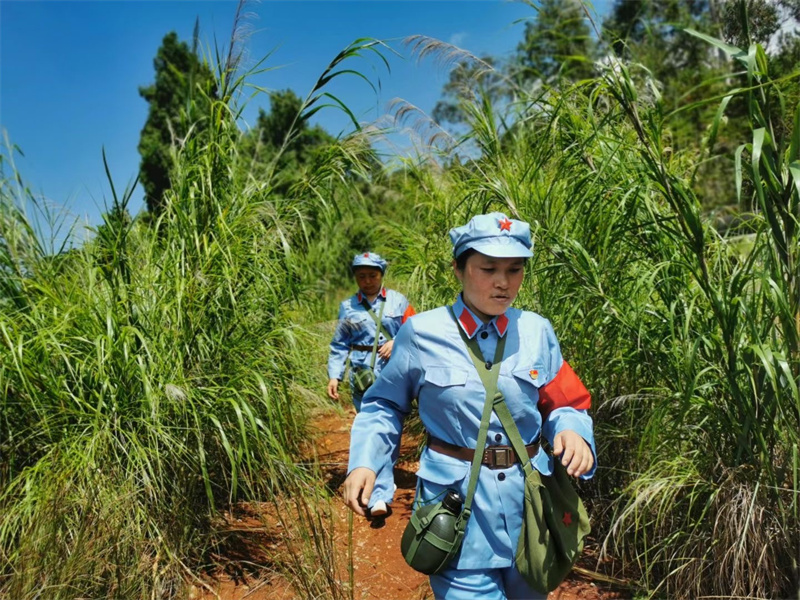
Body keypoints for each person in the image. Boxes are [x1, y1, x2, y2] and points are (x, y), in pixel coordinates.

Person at [343, 213, 596, 600]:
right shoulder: (422, 333)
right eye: (488, 268)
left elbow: (566, 402)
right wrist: (365, 462)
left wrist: (571, 430)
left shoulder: (536, 330)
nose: (503, 281)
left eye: (515, 269)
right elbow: (383, 406)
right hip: (456, 507)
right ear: (458, 269)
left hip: (528, 508)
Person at [327, 251, 415, 516]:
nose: (367, 280)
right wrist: (335, 374)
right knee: (369, 426)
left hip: (392, 371)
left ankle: (378, 490)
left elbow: (416, 331)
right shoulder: (348, 307)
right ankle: (378, 493)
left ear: (381, 275)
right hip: (363, 373)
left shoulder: (399, 301)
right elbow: (340, 343)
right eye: (362, 276)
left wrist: (397, 340)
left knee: (388, 428)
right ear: (355, 277)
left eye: (372, 275)